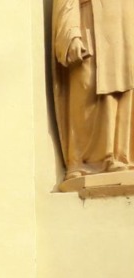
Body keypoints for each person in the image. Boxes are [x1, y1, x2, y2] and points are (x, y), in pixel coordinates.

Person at [52, 0, 134, 180]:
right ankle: (83, 161)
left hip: (125, 29)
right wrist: (71, 33)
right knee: (86, 90)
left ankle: (120, 155)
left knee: (123, 90)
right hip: (89, 23)